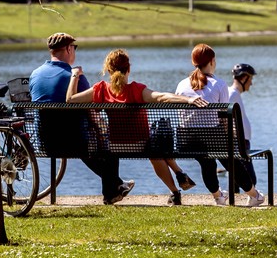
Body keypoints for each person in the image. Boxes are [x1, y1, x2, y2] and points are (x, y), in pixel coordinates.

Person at [66, 49, 206, 206]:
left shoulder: (101, 89)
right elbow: (161, 97)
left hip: (115, 147)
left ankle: (177, 179)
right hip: (141, 145)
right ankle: (175, 188)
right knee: (158, 141)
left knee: (154, 145)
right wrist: (188, 99)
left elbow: (70, 99)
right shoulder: (136, 89)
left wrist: (75, 75)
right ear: (129, 69)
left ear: (108, 70)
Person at [29, 33, 135, 205]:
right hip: (74, 142)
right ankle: (112, 189)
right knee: (106, 144)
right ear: (69, 49)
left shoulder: (35, 74)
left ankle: (116, 186)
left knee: (89, 143)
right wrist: (102, 129)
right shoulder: (76, 77)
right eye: (74, 48)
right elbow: (91, 113)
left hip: (45, 142)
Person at [175, 43, 265, 207]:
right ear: (212, 61)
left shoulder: (182, 84)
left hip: (186, 141)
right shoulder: (219, 84)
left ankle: (218, 197)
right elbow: (224, 118)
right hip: (212, 138)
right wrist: (233, 137)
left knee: (206, 162)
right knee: (231, 160)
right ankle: (254, 195)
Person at [228, 63, 258, 185]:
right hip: (238, 143)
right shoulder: (232, 94)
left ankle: (235, 200)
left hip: (241, 142)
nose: (251, 83)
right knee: (250, 180)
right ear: (244, 78)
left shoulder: (234, 94)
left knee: (240, 178)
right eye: (250, 79)